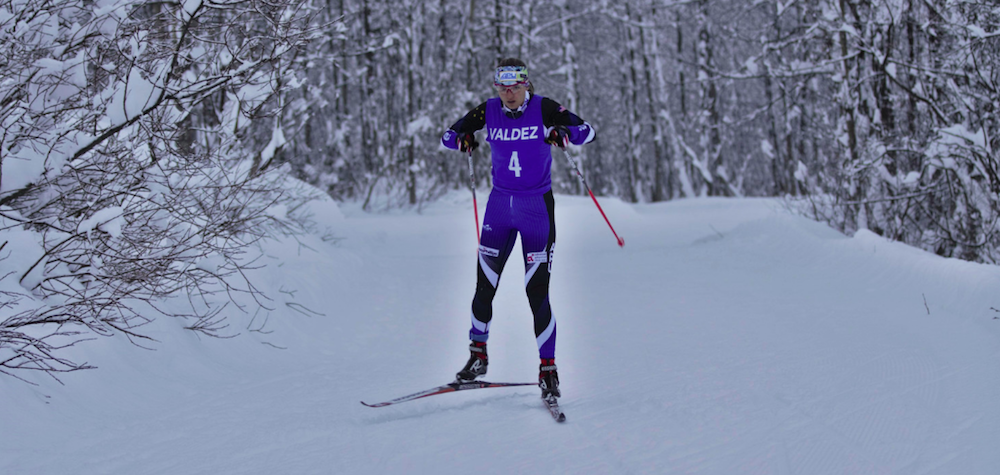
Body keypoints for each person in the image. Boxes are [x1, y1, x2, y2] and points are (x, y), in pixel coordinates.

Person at [440, 58, 596, 400]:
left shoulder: (544, 108)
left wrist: (563, 132)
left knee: (536, 292)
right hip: (499, 208)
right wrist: (463, 141)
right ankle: (477, 356)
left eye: (515, 86)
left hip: (536, 209)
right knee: (484, 286)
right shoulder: (489, 111)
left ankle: (548, 368)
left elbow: (588, 132)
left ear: (526, 84)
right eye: (502, 87)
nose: (509, 94)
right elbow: (448, 136)